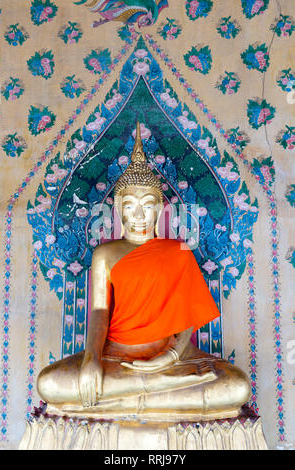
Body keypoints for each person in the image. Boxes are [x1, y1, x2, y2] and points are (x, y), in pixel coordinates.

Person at [37, 122, 251, 420]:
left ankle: (141, 388)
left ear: (161, 208)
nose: (139, 215)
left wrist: (172, 355)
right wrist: (91, 359)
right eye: (131, 205)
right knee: (49, 383)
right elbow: (99, 312)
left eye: (148, 206)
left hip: (171, 356)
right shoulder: (105, 254)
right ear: (118, 208)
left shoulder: (178, 250)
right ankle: (159, 388)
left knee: (236, 386)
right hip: (115, 356)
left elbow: (189, 314)